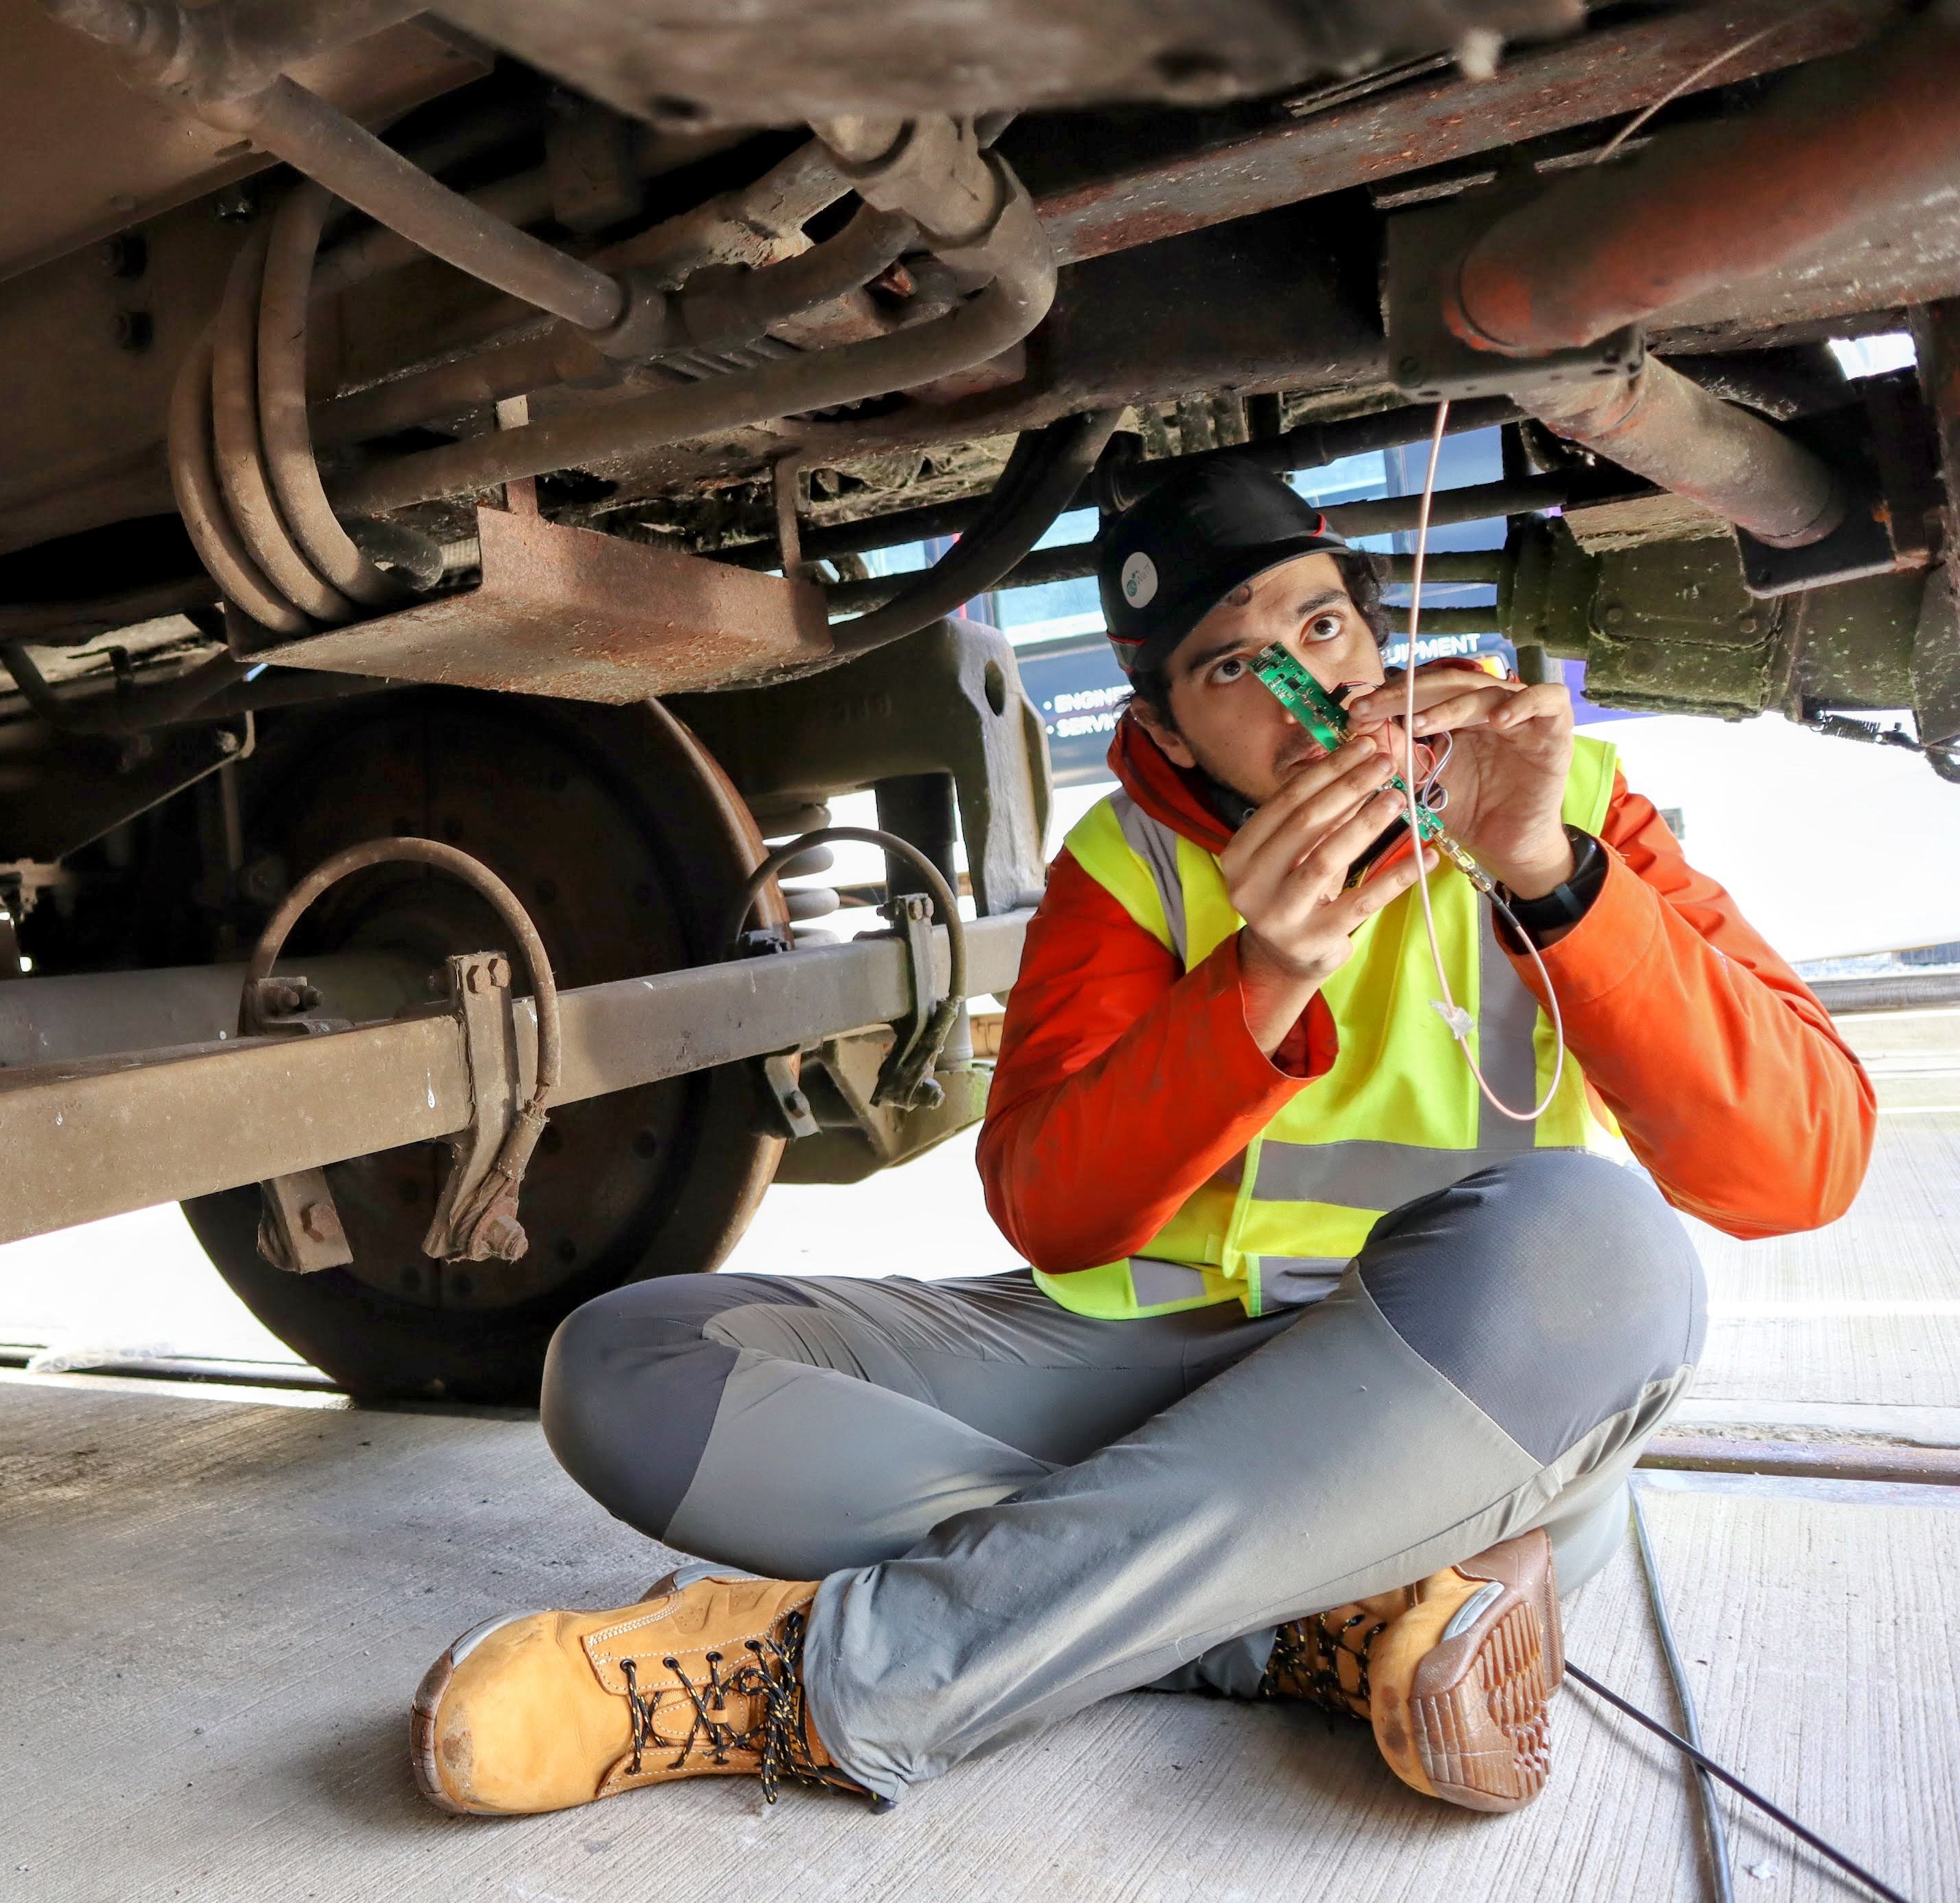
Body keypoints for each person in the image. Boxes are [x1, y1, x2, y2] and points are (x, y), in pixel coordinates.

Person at [409, 454, 1874, 1818]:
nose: (1303, 684)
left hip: (1434, 1419)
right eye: (1233, 665)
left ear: (1371, 638)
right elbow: (1051, 1210)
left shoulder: (1574, 810)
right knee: (624, 1368)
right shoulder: (1126, 866)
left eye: (1319, 626)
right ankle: (1314, 1624)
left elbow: (1798, 1166)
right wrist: (1258, 982)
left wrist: (1551, 877)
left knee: (1607, 1252)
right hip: (1146, 1367)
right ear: (1165, 725)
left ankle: (826, 1681)